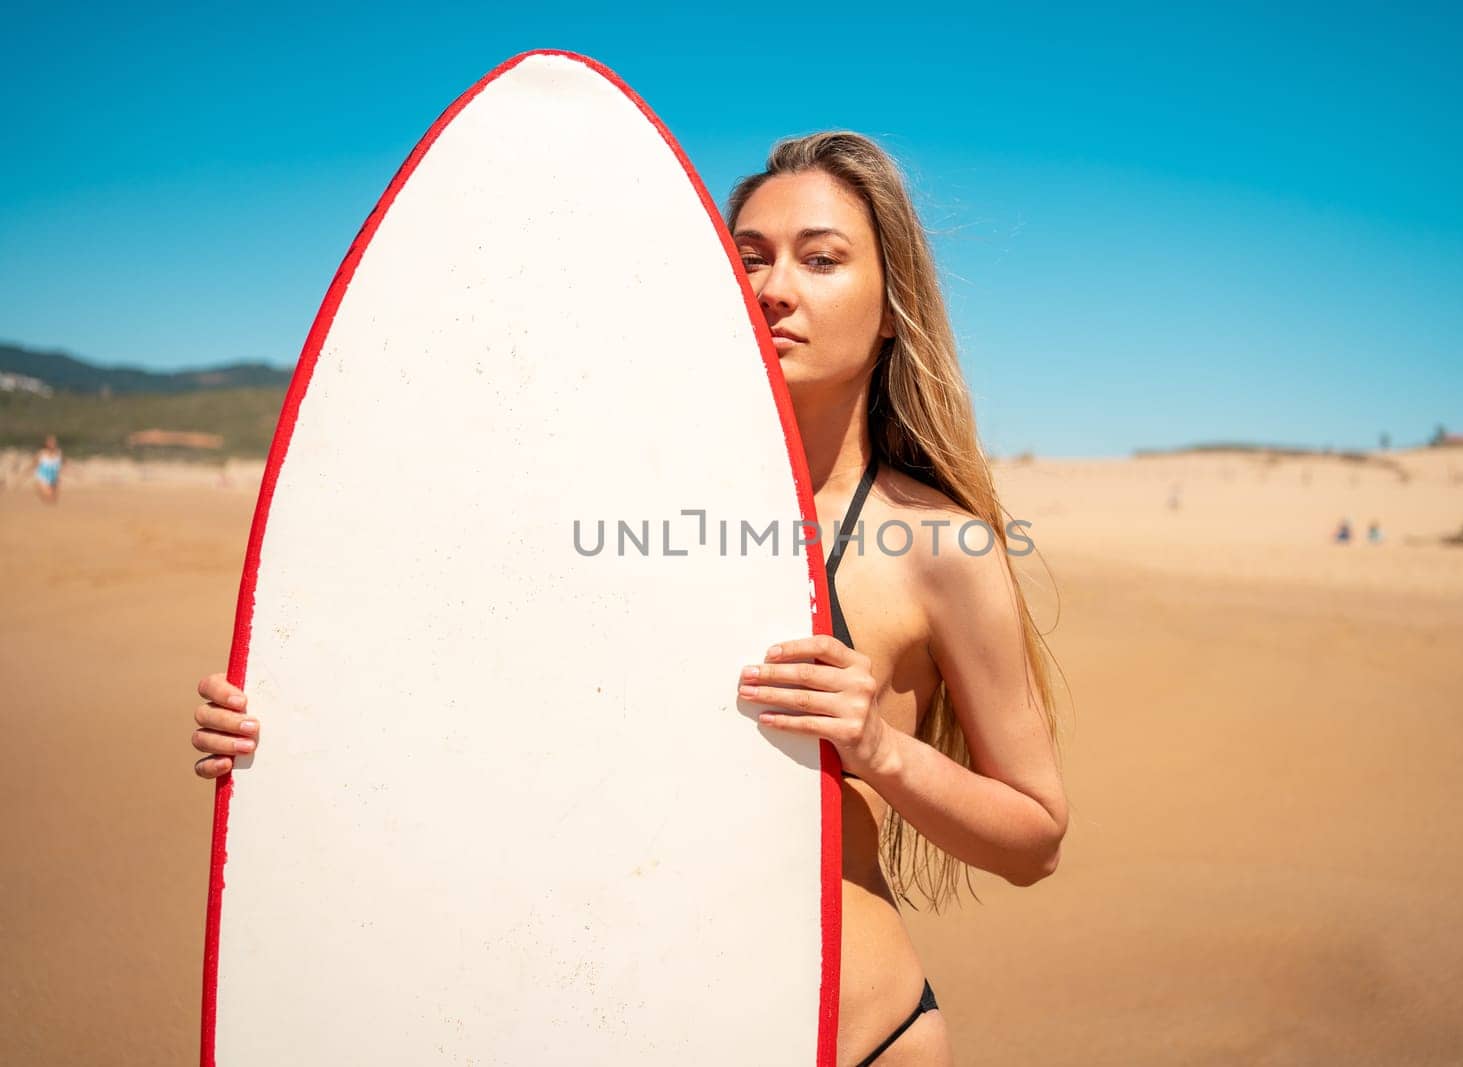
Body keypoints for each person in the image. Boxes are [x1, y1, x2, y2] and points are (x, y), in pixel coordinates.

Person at [189, 131, 1070, 1066]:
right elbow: (468, 704)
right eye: (749, 258)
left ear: (891, 307)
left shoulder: (938, 545)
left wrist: (880, 747)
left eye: (821, 259)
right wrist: (283, 732)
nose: (775, 289)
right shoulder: (608, 506)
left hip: (861, 1039)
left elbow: (1035, 836)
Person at [33, 434, 63, 503]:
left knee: (53, 498)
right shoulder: (41, 454)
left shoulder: (58, 453)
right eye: (51, 442)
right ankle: (39, 488)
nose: (53, 444)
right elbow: (33, 465)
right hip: (43, 477)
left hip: (54, 477)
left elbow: (64, 463)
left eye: (54, 442)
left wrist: (74, 471)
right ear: (46, 444)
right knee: (48, 495)